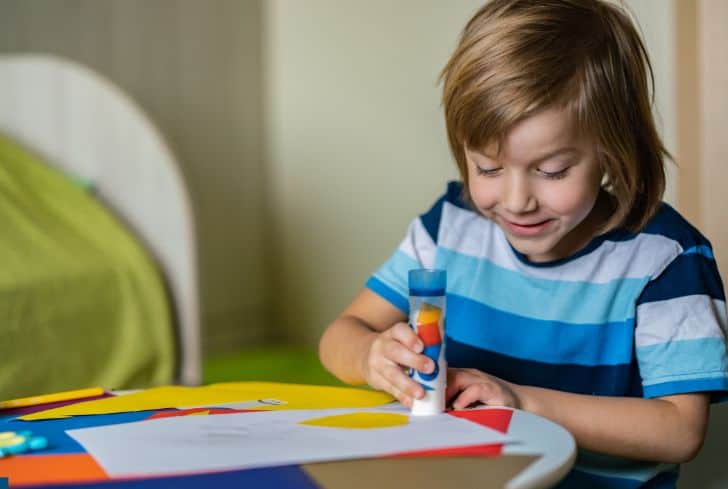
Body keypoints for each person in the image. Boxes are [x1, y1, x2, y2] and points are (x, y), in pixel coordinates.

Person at [318, 0, 728, 487]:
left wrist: (522, 402)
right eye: (488, 168)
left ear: (611, 150)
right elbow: (340, 335)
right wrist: (371, 355)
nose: (516, 201)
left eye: (552, 170)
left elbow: (680, 430)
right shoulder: (450, 227)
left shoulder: (664, 259)